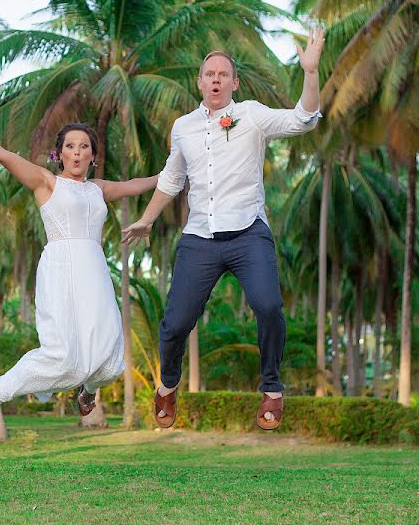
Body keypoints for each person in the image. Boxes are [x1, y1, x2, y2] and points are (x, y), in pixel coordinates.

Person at [121, 26, 326, 430]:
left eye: (222, 75)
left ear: (234, 82)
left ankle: (271, 388)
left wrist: (311, 72)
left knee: (268, 305)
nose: (215, 80)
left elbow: (304, 119)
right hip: (199, 237)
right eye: (208, 74)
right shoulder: (183, 127)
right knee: (176, 322)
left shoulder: (251, 115)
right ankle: (168, 384)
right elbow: (171, 179)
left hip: (249, 232)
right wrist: (146, 219)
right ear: (199, 82)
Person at [0, 113, 158, 434]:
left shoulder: (98, 189)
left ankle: (88, 389)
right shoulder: (46, 182)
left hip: (95, 271)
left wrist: (175, 172)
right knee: (62, 357)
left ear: (93, 155)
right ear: (60, 153)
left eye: (84, 147)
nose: (78, 152)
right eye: (71, 146)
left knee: (111, 358)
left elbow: (138, 185)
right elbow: (2, 154)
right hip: (62, 270)